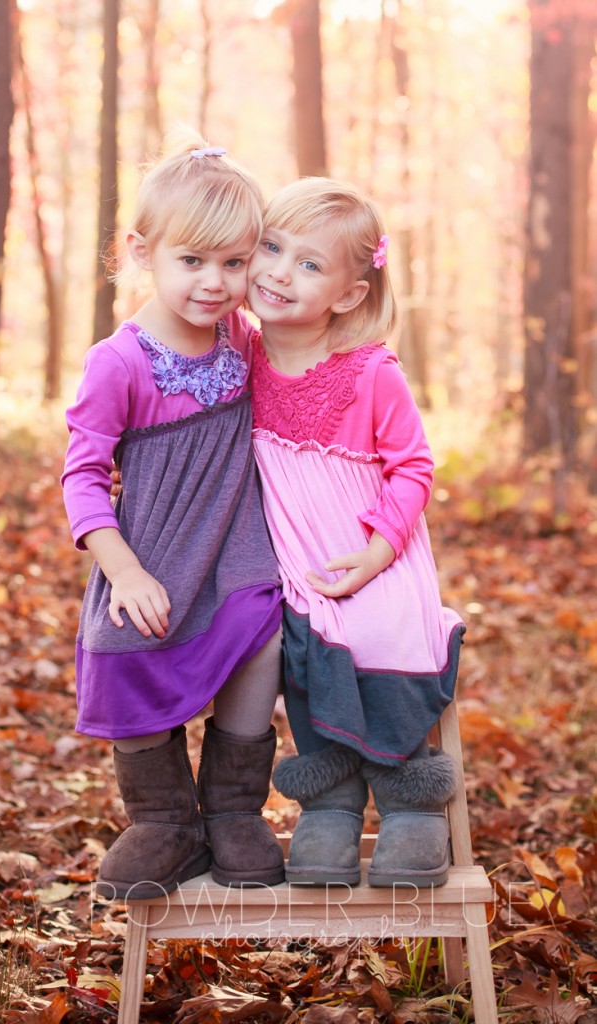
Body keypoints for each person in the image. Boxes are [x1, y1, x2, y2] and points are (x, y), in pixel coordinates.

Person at [61, 130, 285, 900]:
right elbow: (84, 476)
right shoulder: (118, 362)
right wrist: (122, 570)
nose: (214, 283)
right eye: (192, 261)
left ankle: (231, 811)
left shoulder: (242, 339)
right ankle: (166, 822)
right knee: (123, 645)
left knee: (262, 633)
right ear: (141, 250)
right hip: (152, 551)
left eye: (234, 262)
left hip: (235, 545)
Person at [246, 177, 466, 888]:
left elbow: (413, 468)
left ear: (347, 294)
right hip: (293, 556)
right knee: (298, 647)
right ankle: (331, 804)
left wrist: (376, 553)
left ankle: (409, 802)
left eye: (308, 264)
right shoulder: (239, 353)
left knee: (382, 630)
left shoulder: (371, 372)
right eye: (271, 248)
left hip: (373, 551)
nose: (280, 271)